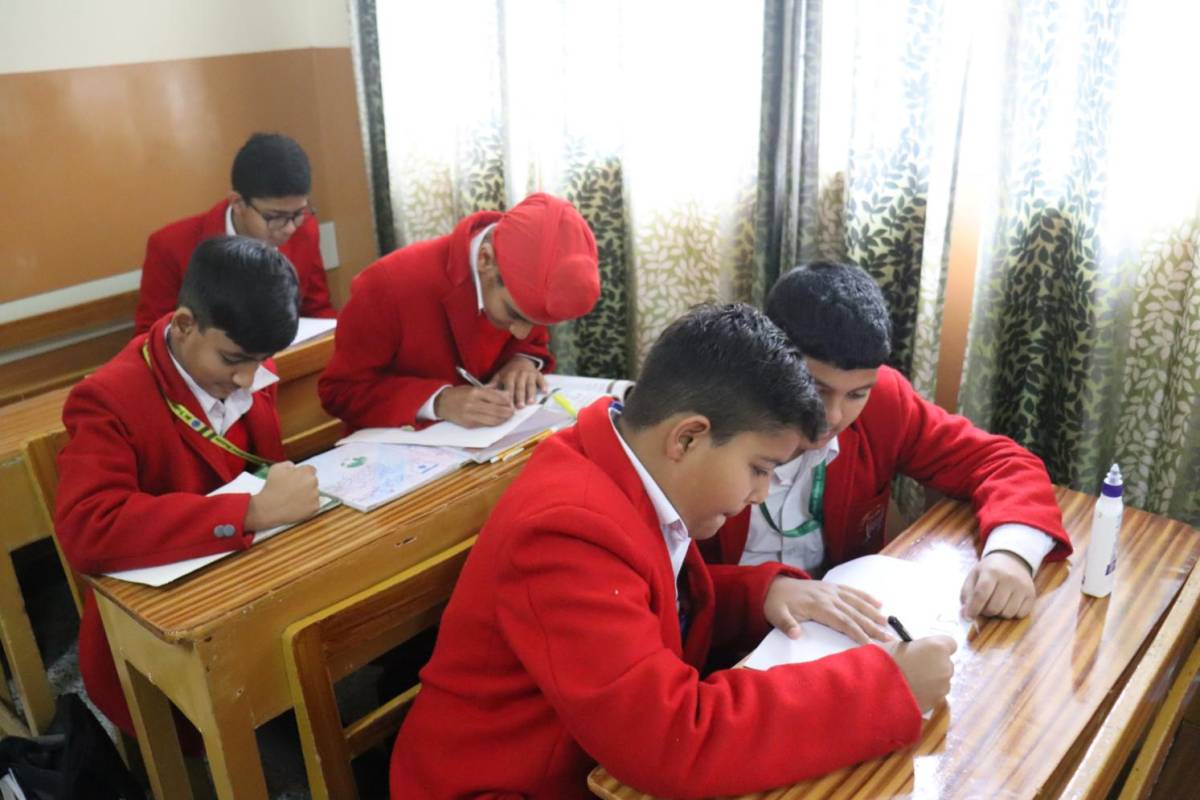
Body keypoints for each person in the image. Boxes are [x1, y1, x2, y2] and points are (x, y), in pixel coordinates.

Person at [390, 304, 955, 799]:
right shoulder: (566, 531)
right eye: (759, 469)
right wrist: (885, 689)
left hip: (588, 759)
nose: (761, 493)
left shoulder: (622, 465)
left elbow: (646, 609)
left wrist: (761, 594)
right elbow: (671, 739)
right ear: (687, 437)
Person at [56, 236, 321, 737]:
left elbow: (259, 464)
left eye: (261, 360)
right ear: (183, 324)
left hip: (241, 585)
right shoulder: (108, 398)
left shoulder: (243, 363)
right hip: (154, 638)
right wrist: (249, 513)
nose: (247, 380)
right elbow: (87, 529)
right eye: (234, 359)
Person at [703, 261, 1071, 619]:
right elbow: (674, 583)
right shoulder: (709, 425)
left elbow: (1001, 461)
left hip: (843, 627)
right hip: (719, 640)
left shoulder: (883, 401)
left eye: (856, 395)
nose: (833, 416)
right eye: (817, 388)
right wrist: (765, 591)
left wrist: (1011, 554)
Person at [318, 192, 599, 430]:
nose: (522, 332)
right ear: (485, 259)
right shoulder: (388, 284)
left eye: (533, 322)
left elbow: (530, 340)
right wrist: (438, 401)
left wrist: (522, 361)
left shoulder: (527, 281)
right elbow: (340, 392)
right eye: (515, 315)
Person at [133, 132, 335, 334]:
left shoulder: (304, 230)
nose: (290, 227)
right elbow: (150, 338)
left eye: (298, 213)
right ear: (237, 203)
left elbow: (317, 311)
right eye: (275, 216)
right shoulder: (170, 247)